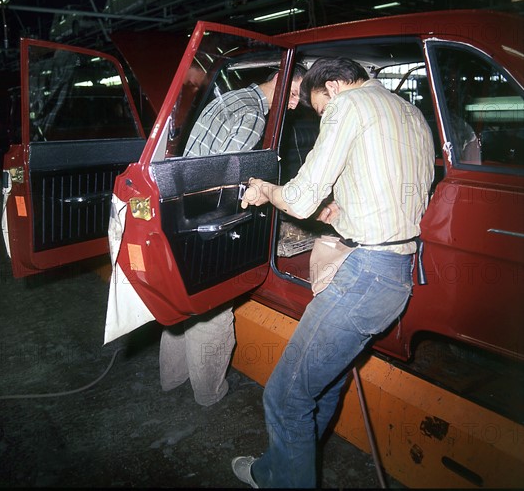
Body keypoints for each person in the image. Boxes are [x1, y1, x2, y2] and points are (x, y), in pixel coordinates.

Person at [231, 57, 435, 487]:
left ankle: (283, 478)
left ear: (337, 85)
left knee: (285, 396)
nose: (323, 116)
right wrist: (340, 215)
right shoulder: (409, 111)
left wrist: (266, 190)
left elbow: (301, 199)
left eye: (320, 108)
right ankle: (275, 470)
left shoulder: (350, 104)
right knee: (322, 386)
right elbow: (396, 194)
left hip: (366, 276)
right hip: (398, 274)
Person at [159, 66, 305, 407]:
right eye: (295, 94)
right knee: (214, 308)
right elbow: (228, 177)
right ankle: (209, 392)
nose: (295, 106)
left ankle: (171, 377)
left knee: (182, 300)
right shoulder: (253, 115)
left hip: (182, 208)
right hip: (208, 216)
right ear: (279, 81)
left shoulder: (230, 98)